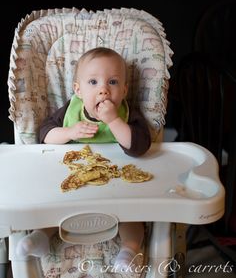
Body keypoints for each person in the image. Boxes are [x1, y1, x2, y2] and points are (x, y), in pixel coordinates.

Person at [16, 47, 151, 270]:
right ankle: (41, 236)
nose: (104, 91)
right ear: (78, 90)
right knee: (54, 205)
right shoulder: (71, 111)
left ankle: (129, 250)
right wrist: (69, 133)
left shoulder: (126, 114)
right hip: (76, 184)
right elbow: (44, 135)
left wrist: (114, 121)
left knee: (133, 217)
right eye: (93, 82)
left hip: (117, 185)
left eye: (113, 82)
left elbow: (139, 146)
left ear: (125, 90)